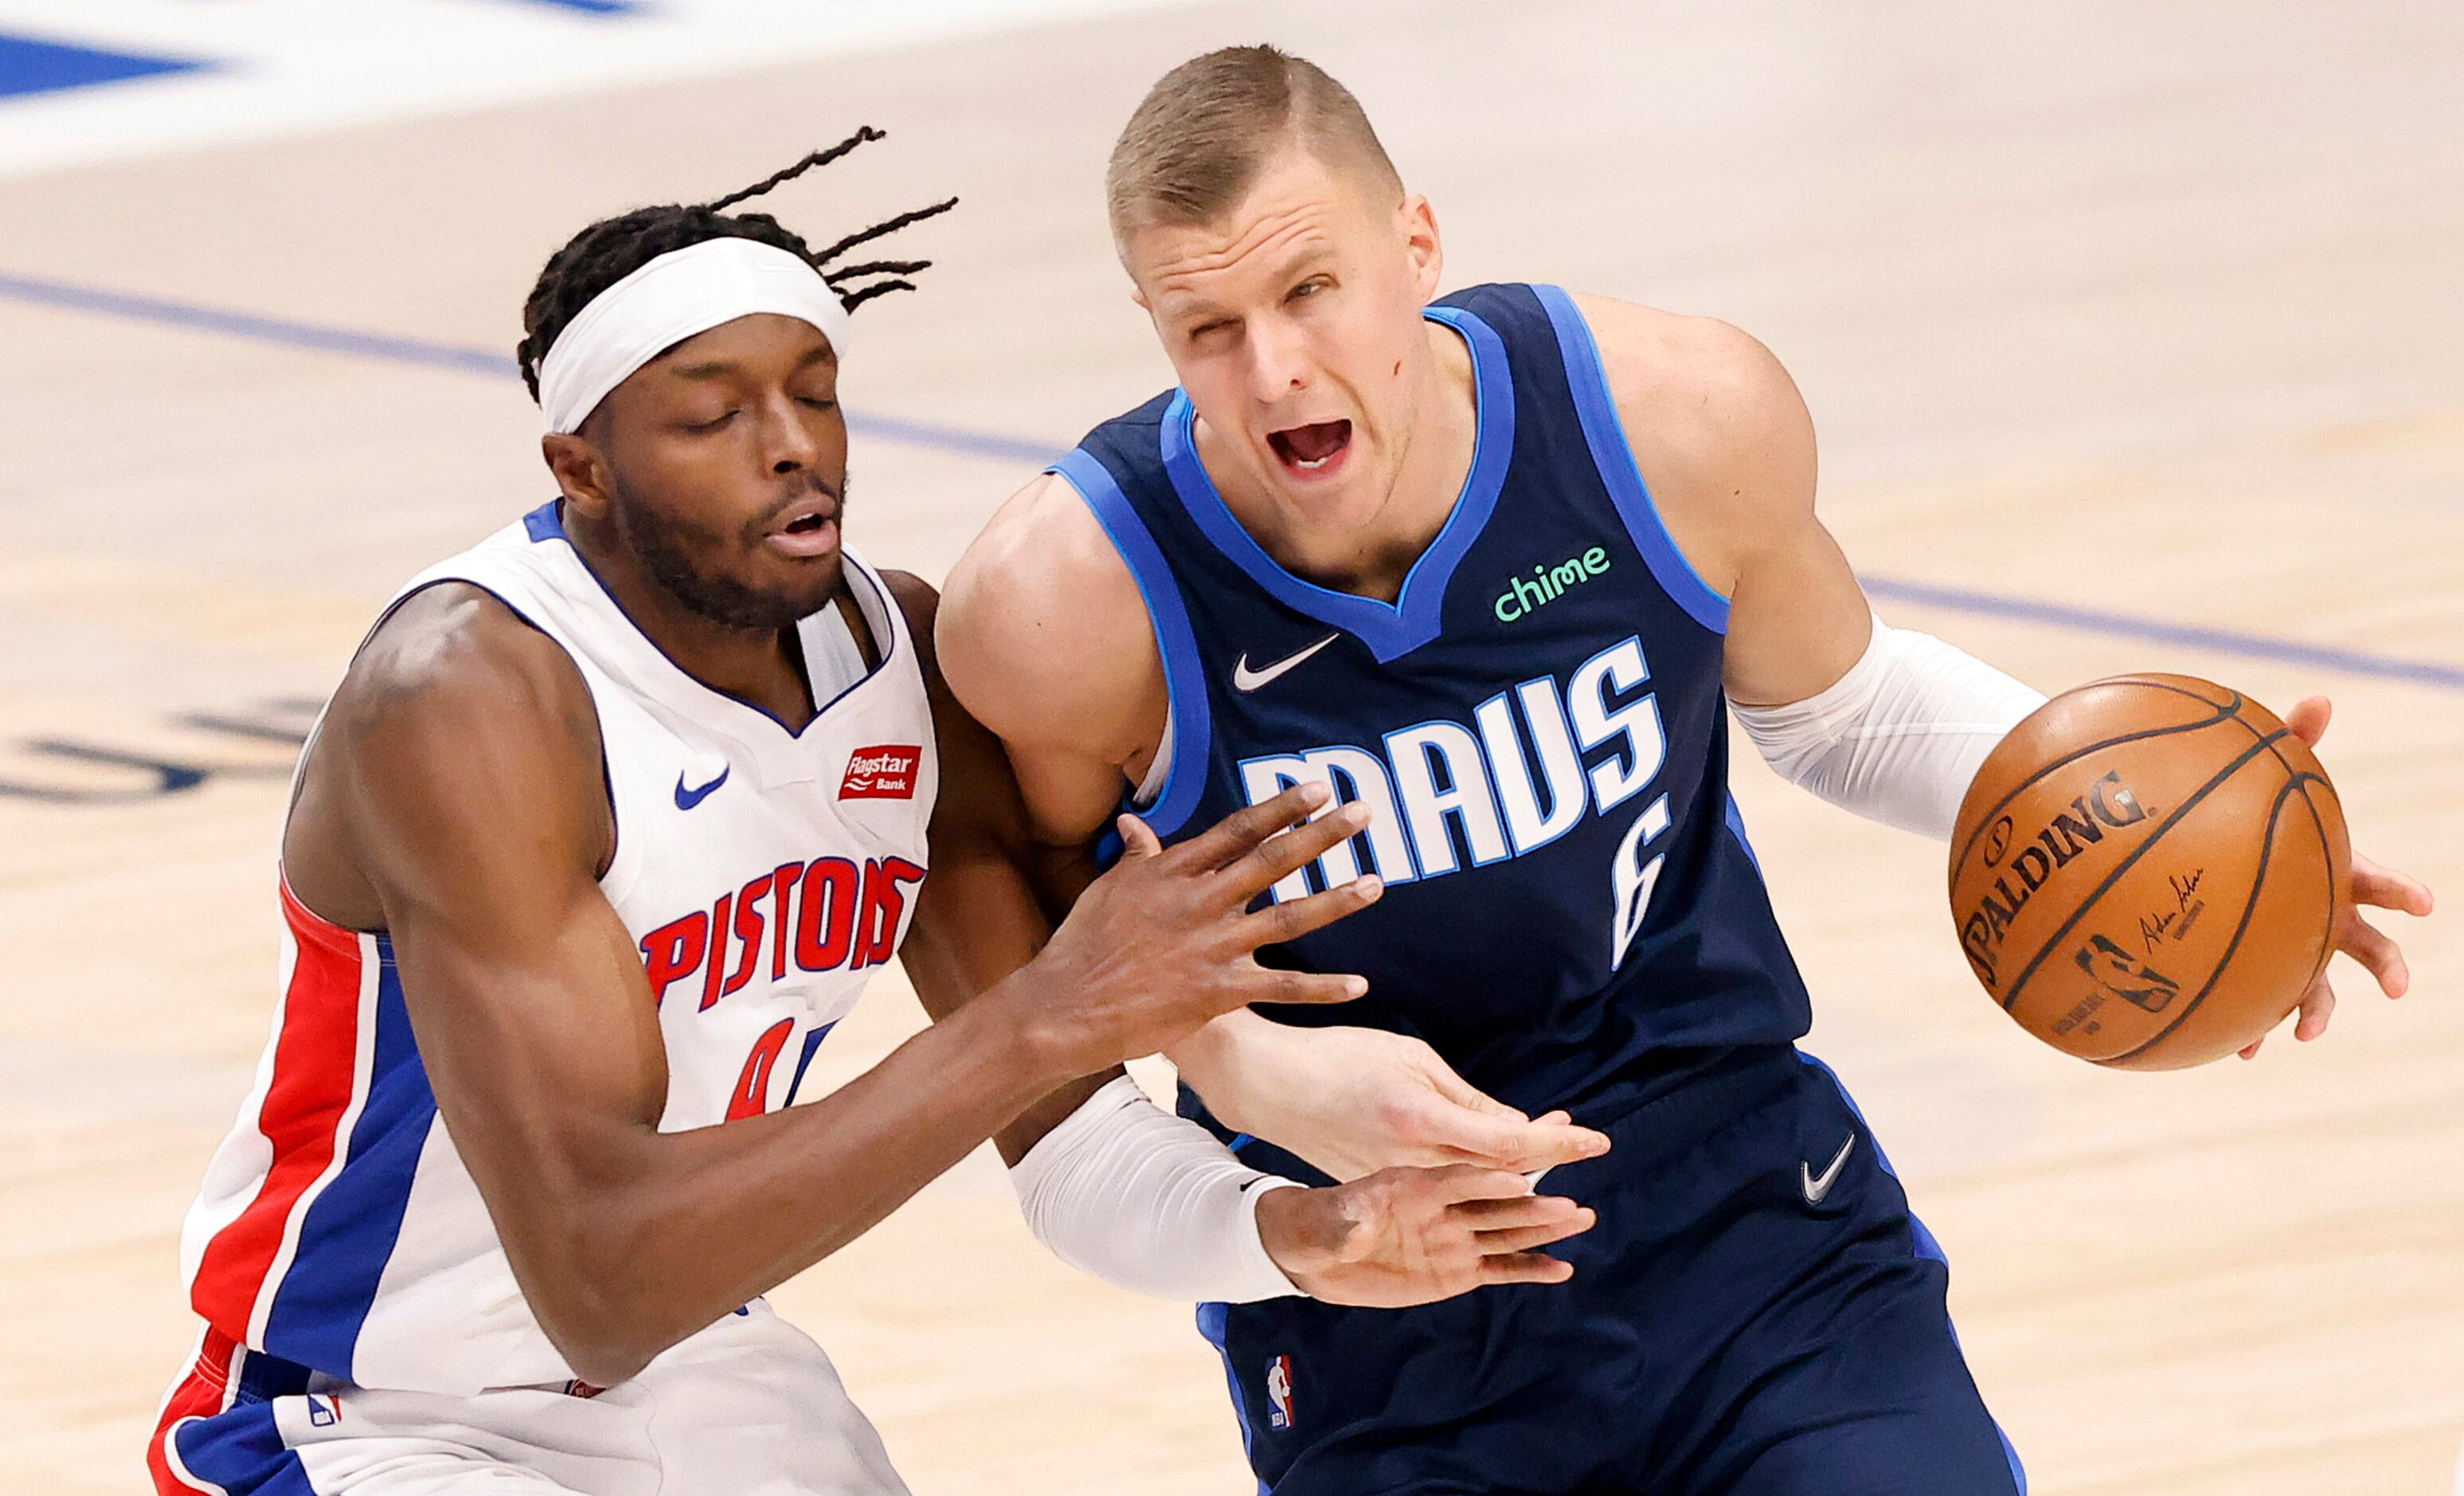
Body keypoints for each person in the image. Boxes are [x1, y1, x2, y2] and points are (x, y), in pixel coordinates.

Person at [938, 48, 2435, 1494]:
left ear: (1416, 246)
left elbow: (1837, 707)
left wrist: (2171, 828)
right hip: (1383, 1292)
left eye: (1310, 290)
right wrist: (1253, 1068)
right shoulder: (1068, 607)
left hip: (1741, 1215)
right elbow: (1073, 935)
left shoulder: (1664, 420)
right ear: (1146, 321)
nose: (1271, 371)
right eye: (1206, 329)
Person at [147, 130, 1606, 1496]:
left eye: (815, 390)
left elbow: (1069, 1143)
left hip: (698, 1357)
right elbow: (596, 1281)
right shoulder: (465, 698)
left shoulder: (905, 662)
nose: (794, 445)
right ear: (580, 469)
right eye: (715, 416)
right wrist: (1048, 1011)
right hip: (366, 1410)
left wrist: (1288, 1233)